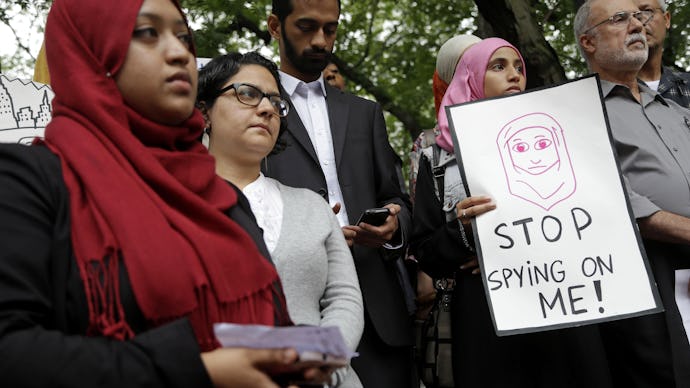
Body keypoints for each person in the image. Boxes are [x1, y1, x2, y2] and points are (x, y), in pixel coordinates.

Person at [0, 0, 332, 387]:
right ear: (91, 50)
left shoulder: (222, 199)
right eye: (146, 33)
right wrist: (200, 372)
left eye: (184, 37)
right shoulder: (29, 182)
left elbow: (272, 329)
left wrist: (293, 364)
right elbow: (12, 352)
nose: (179, 53)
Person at [410, 37, 615, 388]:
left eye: (519, 67)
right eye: (498, 66)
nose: (514, 75)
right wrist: (463, 231)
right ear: (470, 77)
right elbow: (427, 251)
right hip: (485, 316)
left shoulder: (561, 135)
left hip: (563, 298)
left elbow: (598, 217)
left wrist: (515, 249)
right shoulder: (437, 159)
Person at [264, 0, 415, 386]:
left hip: (378, 313)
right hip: (293, 313)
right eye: (307, 27)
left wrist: (393, 226)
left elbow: (398, 197)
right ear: (275, 26)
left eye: (330, 30)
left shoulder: (365, 113)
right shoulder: (257, 110)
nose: (321, 40)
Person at [197, 51, 365, 387]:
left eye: (276, 102)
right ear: (204, 113)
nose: (267, 108)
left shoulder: (312, 206)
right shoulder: (171, 206)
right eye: (247, 93)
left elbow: (344, 297)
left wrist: (319, 364)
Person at [575, 0, 690, 386]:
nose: (637, 25)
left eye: (639, 17)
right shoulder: (573, 112)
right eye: (620, 19)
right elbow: (616, 203)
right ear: (588, 42)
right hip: (647, 281)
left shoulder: (675, 110)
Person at [634, 0, 690, 108]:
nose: (638, 23)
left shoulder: (687, 85)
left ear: (666, 19)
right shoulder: (606, 93)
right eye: (629, 16)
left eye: (647, 11)